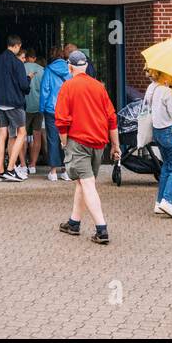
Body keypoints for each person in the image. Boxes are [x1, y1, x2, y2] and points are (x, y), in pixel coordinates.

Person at [55, 50, 120, 244]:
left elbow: (61, 120)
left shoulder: (68, 86)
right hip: (98, 143)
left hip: (78, 142)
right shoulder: (99, 87)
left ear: (70, 67)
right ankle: (73, 223)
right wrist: (116, 145)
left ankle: (102, 229)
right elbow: (112, 118)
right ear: (86, 66)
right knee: (83, 182)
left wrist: (64, 142)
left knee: (88, 184)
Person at [144, 68, 172, 218]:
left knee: (167, 166)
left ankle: (159, 202)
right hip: (169, 131)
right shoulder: (166, 92)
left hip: (158, 131)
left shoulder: (152, 88)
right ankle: (167, 202)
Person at [0, 35, 31, 182]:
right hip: (14, 103)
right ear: (17, 45)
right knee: (22, 133)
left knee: (2, 134)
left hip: (0, 103)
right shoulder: (17, 63)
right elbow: (24, 86)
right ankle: (10, 169)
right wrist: (28, 79)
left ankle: (0, 171)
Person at [39, 46, 71, 181]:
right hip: (67, 109)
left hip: (51, 109)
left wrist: (42, 108)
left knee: (52, 139)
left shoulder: (48, 70)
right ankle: (66, 170)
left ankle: (53, 172)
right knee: (66, 139)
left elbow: (45, 90)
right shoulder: (69, 69)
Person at [23, 49, 45, 175]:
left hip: (24, 106)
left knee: (22, 135)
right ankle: (33, 164)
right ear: (35, 58)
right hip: (38, 106)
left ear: (26, 57)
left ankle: (23, 163)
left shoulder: (21, 68)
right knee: (37, 135)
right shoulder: (42, 70)